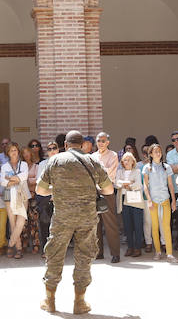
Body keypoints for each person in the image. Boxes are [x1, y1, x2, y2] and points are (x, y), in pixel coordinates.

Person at [36, 130, 113, 315]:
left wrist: (56, 191)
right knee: (84, 257)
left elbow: (40, 190)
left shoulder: (55, 160)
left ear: (65, 145)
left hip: (63, 217)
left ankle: (50, 300)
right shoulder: (93, 161)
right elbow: (109, 189)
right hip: (87, 217)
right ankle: (79, 302)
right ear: (83, 144)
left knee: (55, 255)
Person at [90, 132, 120, 263]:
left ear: (108, 142)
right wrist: (101, 170)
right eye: (98, 140)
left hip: (107, 192)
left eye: (103, 141)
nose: (100, 143)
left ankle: (115, 254)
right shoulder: (91, 156)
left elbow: (111, 173)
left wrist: (99, 171)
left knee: (110, 225)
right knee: (95, 224)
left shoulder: (113, 155)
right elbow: (91, 174)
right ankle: (98, 252)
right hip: (94, 192)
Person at [143, 143, 175, 260]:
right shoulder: (147, 168)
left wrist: (173, 200)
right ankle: (157, 251)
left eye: (159, 151)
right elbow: (145, 186)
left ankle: (170, 253)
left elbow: (171, 185)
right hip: (154, 201)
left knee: (166, 226)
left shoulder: (167, 167)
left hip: (165, 200)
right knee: (155, 226)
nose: (158, 153)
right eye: (155, 151)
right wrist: (149, 200)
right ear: (150, 154)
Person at [1, 141, 28, 259]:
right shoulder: (4, 166)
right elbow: (2, 182)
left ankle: (10, 244)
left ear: (18, 152)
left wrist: (10, 179)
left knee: (20, 222)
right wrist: (16, 179)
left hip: (22, 195)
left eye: (15, 150)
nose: (14, 152)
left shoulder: (24, 165)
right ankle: (18, 248)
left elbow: (24, 177)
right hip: (9, 196)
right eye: (11, 150)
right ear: (8, 153)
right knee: (12, 223)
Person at [115, 152, 144, 257]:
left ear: (133, 161)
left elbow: (138, 185)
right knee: (127, 225)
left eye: (129, 160)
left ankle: (137, 248)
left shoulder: (137, 171)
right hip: (123, 199)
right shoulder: (119, 171)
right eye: (125, 160)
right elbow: (116, 184)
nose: (127, 162)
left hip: (135, 199)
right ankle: (130, 247)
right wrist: (128, 183)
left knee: (137, 224)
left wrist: (127, 185)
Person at [35, 141, 58, 255]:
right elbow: (39, 181)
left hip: (60, 199)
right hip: (45, 198)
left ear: (58, 149)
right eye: (49, 149)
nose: (52, 150)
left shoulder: (63, 163)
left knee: (58, 227)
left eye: (54, 148)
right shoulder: (42, 164)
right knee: (45, 225)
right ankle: (45, 250)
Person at [22, 145, 41, 254]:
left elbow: (38, 179)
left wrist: (26, 180)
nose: (26, 155)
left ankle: (36, 244)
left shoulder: (36, 166)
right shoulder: (21, 166)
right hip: (23, 196)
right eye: (24, 153)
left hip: (33, 196)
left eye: (27, 152)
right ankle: (24, 243)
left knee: (34, 221)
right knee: (24, 221)